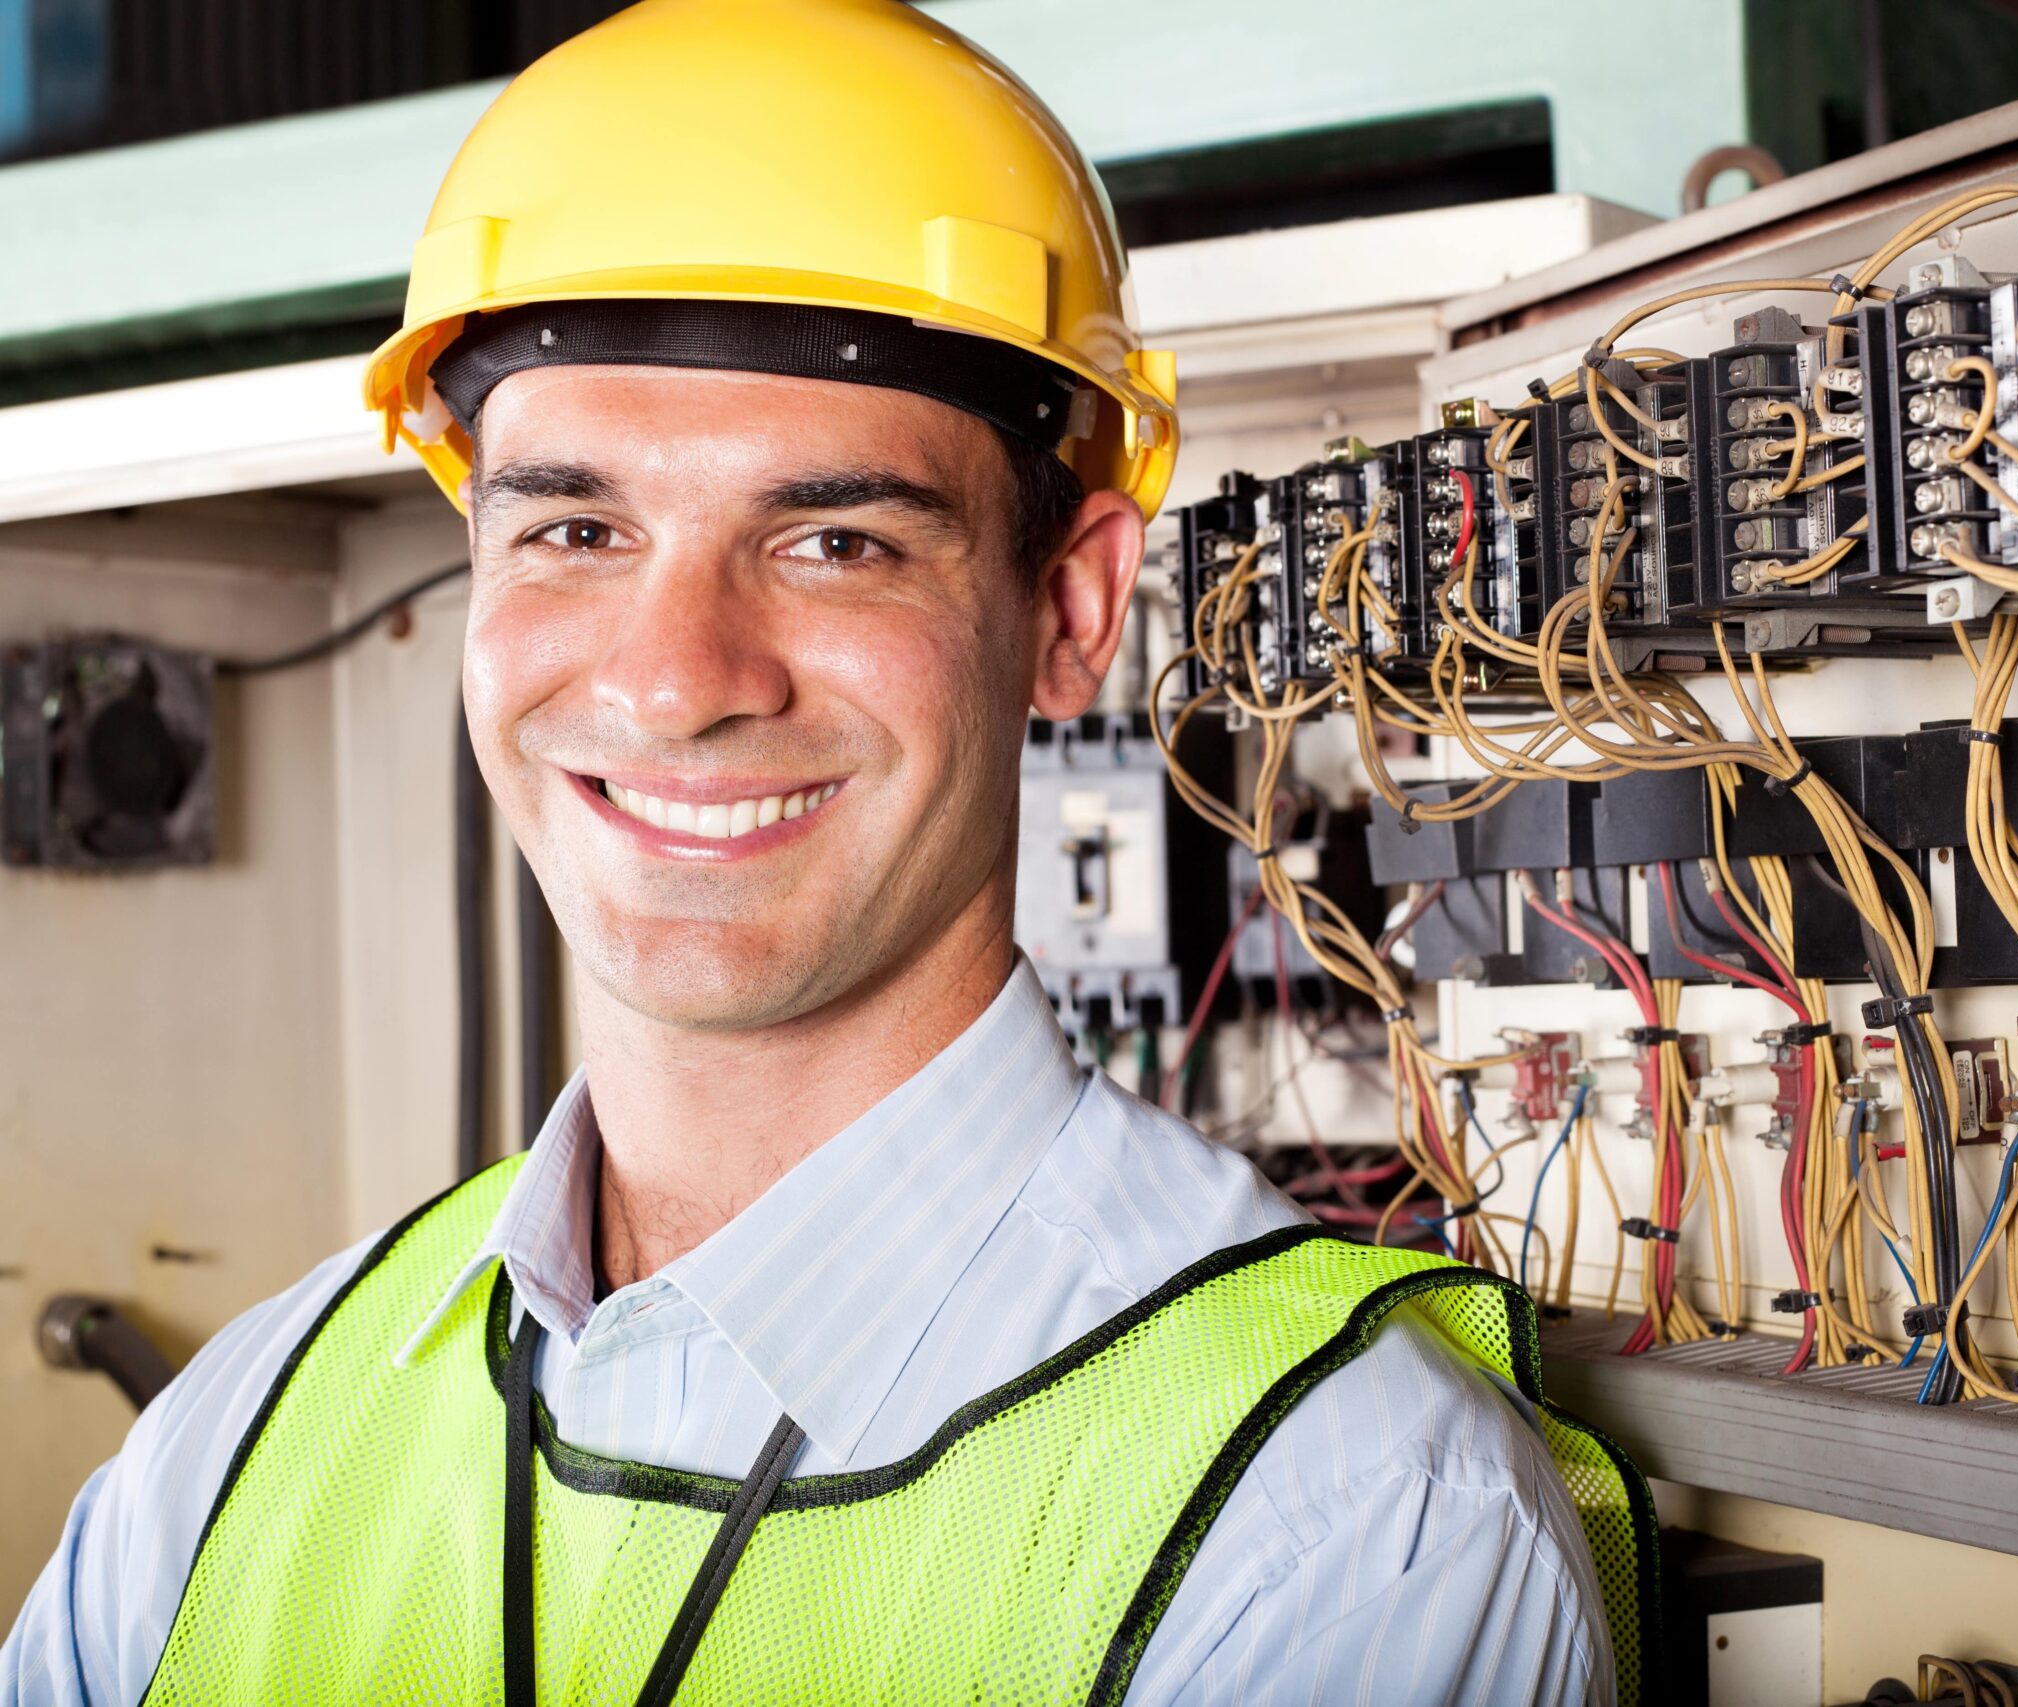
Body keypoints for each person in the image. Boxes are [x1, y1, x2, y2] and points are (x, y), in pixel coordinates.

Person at [3, 2, 1652, 1700]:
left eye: (836, 539)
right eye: (575, 528)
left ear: (1072, 609)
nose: (672, 679)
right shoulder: (237, 1447)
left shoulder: (1339, 1527)